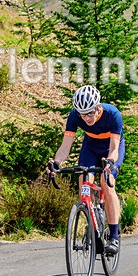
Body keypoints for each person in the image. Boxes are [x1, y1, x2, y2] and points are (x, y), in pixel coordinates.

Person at [50, 85, 124, 254]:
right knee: (84, 183)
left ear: (98, 106)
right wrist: (56, 163)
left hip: (111, 148)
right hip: (90, 147)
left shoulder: (112, 114)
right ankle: (92, 226)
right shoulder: (74, 116)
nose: (87, 118)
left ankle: (114, 236)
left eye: (90, 112)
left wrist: (110, 163)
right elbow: (65, 146)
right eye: (83, 114)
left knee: (107, 183)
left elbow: (114, 148)